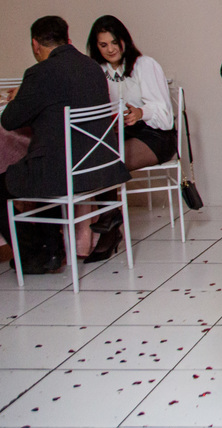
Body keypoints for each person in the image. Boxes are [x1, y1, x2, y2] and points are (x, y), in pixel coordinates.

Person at [0, 16, 130, 274]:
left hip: (63, 174)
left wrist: (20, 95)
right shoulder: (92, 67)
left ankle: (33, 253)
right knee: (39, 164)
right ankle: (49, 247)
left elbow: (10, 120)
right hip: (101, 168)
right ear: (67, 39)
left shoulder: (39, 73)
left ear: (35, 44)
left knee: (24, 174)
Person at [80, 15, 178, 261]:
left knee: (107, 161)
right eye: (103, 45)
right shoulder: (97, 71)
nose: (110, 49)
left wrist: (140, 113)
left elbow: (165, 117)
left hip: (155, 135)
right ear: (96, 47)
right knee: (96, 157)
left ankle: (109, 226)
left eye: (115, 42)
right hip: (118, 134)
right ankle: (110, 222)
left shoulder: (144, 65)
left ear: (124, 40)